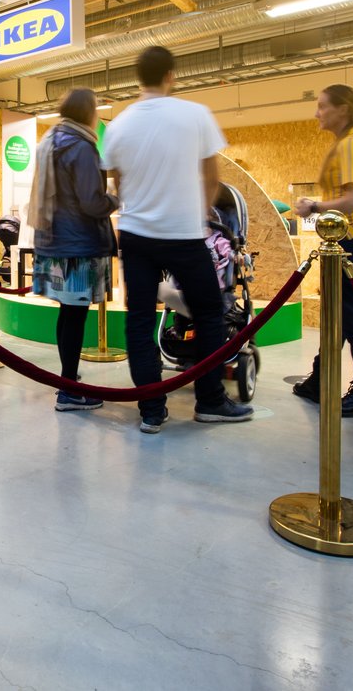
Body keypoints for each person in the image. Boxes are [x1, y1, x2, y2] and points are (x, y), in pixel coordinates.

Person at [101, 46, 253, 432]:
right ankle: (210, 400)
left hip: (135, 234)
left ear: (139, 77)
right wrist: (199, 214)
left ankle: (151, 409)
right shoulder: (194, 114)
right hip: (184, 234)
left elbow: (118, 180)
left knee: (138, 319)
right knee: (208, 313)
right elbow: (212, 177)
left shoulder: (118, 124)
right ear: (170, 74)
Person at [290, 84, 353, 418]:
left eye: (322, 106)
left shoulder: (351, 146)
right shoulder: (350, 143)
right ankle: (321, 377)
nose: (317, 112)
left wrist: (313, 204)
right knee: (338, 316)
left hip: (352, 242)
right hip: (347, 241)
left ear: (343, 109)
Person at [30, 88, 119, 412]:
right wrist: (116, 198)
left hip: (53, 242)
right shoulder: (81, 146)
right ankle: (69, 389)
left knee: (67, 313)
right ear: (88, 112)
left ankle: (68, 383)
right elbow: (92, 202)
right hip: (78, 245)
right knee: (76, 315)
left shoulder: (50, 140)